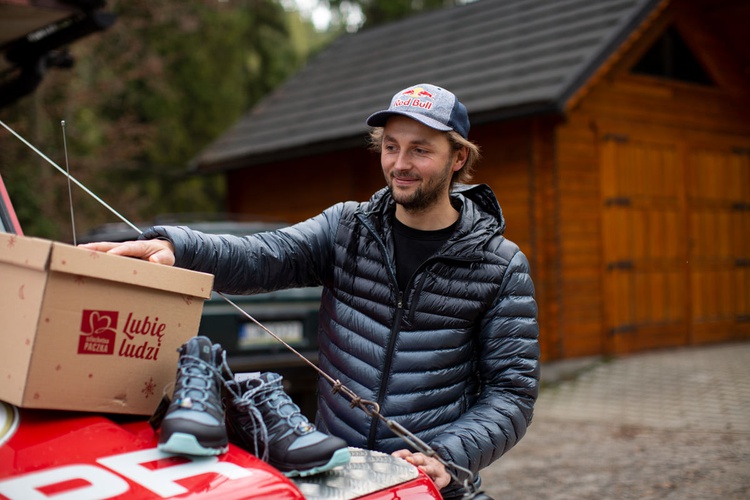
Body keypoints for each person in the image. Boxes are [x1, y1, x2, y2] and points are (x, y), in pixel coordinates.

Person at [81, 83, 540, 497]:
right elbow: (262, 255)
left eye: (420, 150)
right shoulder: (347, 228)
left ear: (458, 158)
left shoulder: (500, 265)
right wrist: (177, 247)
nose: (400, 165)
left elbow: (511, 393)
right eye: (391, 147)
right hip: (335, 477)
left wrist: (446, 455)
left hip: (433, 485)